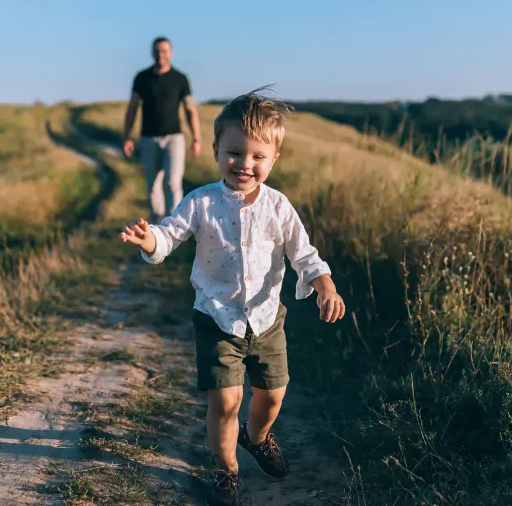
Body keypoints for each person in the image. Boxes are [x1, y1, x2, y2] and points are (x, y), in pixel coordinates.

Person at [119, 89, 346, 506]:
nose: (245, 164)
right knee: (226, 400)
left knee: (272, 395)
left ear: (273, 159)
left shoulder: (279, 207)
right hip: (217, 318)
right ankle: (226, 471)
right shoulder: (201, 202)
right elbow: (168, 236)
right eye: (235, 153)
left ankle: (257, 438)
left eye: (258, 157)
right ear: (217, 151)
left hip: (266, 320)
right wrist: (148, 238)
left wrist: (324, 286)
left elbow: (304, 254)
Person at [123, 37, 202, 223]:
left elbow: (190, 109)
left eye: (165, 51)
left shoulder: (180, 79)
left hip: (174, 138)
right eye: (157, 51)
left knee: (173, 183)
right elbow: (132, 107)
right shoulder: (142, 78)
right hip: (148, 138)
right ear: (152, 53)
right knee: (152, 185)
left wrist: (196, 138)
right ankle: (157, 225)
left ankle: (174, 225)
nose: (161, 55)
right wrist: (127, 136)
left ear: (171, 53)